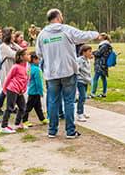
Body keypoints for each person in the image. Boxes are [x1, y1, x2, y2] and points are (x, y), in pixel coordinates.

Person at [36, 9, 99, 139]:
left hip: (51, 73)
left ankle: (52, 130)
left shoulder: (42, 34)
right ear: (58, 17)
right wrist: (95, 34)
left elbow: (39, 54)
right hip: (68, 71)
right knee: (69, 101)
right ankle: (70, 131)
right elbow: (82, 36)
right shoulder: (66, 29)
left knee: (53, 101)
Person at [0, 49, 30, 133]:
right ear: (21, 57)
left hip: (19, 91)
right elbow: (8, 78)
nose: (29, 56)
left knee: (23, 107)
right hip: (12, 89)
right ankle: (4, 127)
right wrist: (5, 90)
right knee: (10, 108)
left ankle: (17, 124)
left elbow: (26, 79)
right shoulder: (15, 67)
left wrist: (24, 89)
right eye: (27, 54)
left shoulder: (26, 67)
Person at [0, 27, 18, 116]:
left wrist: (13, 43)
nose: (14, 36)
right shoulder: (3, 46)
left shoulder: (11, 45)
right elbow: (14, 55)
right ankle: (3, 108)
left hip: (12, 69)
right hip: (6, 70)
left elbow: (21, 50)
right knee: (6, 89)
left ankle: (10, 107)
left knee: (9, 89)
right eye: (12, 34)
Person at [22, 53, 46, 126]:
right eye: (38, 59)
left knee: (38, 107)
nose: (39, 60)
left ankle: (42, 119)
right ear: (34, 60)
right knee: (28, 107)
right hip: (35, 92)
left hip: (32, 91)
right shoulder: (37, 69)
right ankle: (24, 120)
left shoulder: (30, 68)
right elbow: (38, 82)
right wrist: (41, 91)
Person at [90, 33, 113, 98]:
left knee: (95, 78)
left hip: (101, 64)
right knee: (103, 78)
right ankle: (104, 93)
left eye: (99, 36)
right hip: (103, 64)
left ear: (102, 37)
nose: (98, 37)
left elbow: (99, 53)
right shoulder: (106, 44)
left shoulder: (105, 45)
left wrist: (91, 52)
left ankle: (93, 93)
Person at [76, 45, 92, 122]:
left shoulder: (87, 60)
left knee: (83, 97)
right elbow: (77, 70)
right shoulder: (79, 60)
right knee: (82, 97)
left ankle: (82, 111)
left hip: (86, 81)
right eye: (89, 51)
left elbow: (88, 71)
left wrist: (89, 80)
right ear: (84, 52)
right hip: (80, 81)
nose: (90, 53)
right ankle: (79, 113)